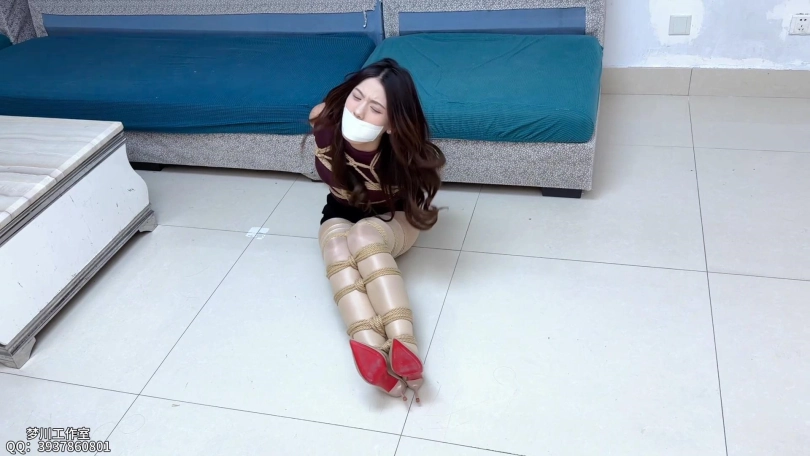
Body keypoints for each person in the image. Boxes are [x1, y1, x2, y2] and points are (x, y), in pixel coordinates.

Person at [306, 58, 445, 402]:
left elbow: (417, 198)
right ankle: (370, 351)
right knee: (336, 248)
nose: (358, 111)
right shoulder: (322, 120)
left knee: (363, 236)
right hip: (340, 210)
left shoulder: (404, 155)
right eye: (357, 97)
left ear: (393, 124)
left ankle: (404, 345)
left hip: (394, 218)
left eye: (376, 108)